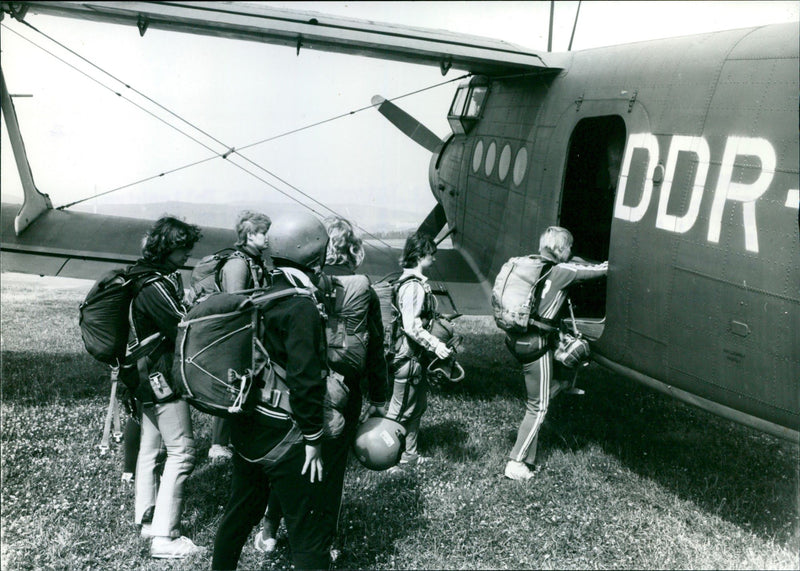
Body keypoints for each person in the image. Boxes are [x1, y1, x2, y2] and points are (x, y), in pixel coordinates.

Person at [254, 216, 389, 556]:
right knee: (331, 469)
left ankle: (269, 527)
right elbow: (375, 345)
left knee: (292, 457)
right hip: (346, 388)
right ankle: (323, 540)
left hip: (297, 385)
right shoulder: (361, 288)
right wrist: (380, 396)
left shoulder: (298, 283)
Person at [211, 212, 333, 570]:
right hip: (286, 433)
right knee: (306, 530)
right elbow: (306, 379)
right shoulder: (301, 306)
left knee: (239, 513)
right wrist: (313, 437)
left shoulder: (260, 294)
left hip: (247, 424)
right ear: (315, 258)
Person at [125, 215, 205, 558]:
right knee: (183, 452)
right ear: (168, 247)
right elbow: (183, 327)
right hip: (161, 377)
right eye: (183, 247)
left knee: (152, 448)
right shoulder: (155, 285)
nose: (187, 254)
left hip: (141, 375)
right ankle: (165, 537)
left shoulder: (139, 276)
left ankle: (147, 518)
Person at [503, 226, 608, 482]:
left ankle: (527, 459)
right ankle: (515, 462)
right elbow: (601, 270)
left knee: (539, 397)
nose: (571, 251)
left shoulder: (533, 266)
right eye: (569, 247)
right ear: (561, 249)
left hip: (518, 339)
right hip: (537, 345)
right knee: (538, 408)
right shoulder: (563, 271)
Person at [208, 210, 272, 462]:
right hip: (238, 336)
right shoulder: (237, 264)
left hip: (252, 335)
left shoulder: (253, 261)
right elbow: (236, 304)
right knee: (232, 387)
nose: (267, 238)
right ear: (250, 235)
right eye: (263, 233)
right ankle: (219, 444)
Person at [384, 232, 452, 471]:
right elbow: (411, 326)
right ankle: (385, 458)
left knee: (415, 407)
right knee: (399, 410)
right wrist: (437, 345)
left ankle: (410, 455)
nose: (433, 259)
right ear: (421, 255)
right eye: (431, 255)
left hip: (414, 357)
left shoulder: (411, 283)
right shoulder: (413, 287)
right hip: (408, 357)